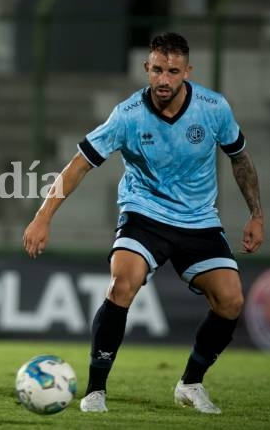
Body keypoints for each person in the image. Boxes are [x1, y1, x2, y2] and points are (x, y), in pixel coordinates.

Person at [23, 32, 263, 414]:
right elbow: (79, 164)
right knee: (122, 285)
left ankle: (190, 383)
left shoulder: (213, 108)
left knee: (231, 300)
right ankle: (96, 391)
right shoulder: (128, 115)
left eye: (172, 71)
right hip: (144, 214)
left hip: (199, 220)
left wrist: (256, 214)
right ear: (146, 68)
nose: (163, 80)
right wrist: (42, 217)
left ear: (188, 71)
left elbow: (240, 158)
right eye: (156, 70)